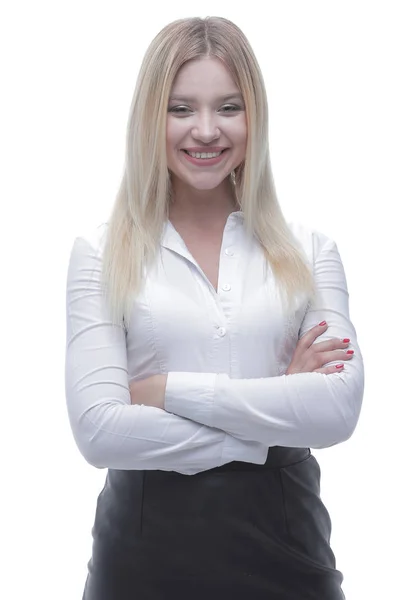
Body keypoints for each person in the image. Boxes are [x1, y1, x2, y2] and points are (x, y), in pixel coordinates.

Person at [65, 15, 364, 600]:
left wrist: (164, 389)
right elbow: (99, 431)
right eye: (182, 108)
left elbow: (336, 410)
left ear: (255, 117)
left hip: (288, 546)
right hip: (142, 555)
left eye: (228, 107)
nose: (206, 130)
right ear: (152, 118)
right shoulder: (100, 253)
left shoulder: (310, 251)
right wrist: (272, 413)